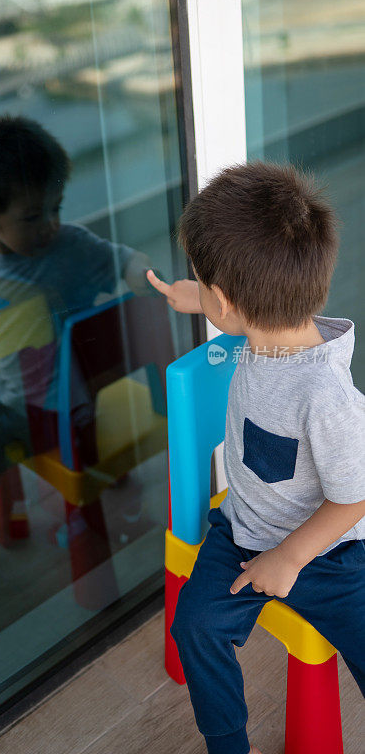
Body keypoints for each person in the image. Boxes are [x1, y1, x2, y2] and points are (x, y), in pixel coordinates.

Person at [147, 161, 365, 754]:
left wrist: (291, 557)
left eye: (202, 285)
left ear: (229, 302)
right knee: (195, 625)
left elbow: (354, 497)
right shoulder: (267, 328)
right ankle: (227, 742)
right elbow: (234, 308)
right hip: (243, 533)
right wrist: (193, 297)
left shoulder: (327, 396)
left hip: (330, 553)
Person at [0, 115, 152, 574]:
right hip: (11, 394)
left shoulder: (72, 248)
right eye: (33, 215)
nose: (51, 225)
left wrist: (143, 275)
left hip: (59, 413)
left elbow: (125, 260)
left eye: (55, 207)